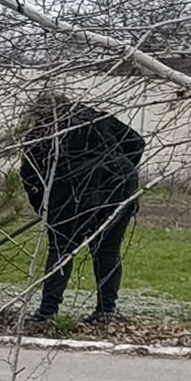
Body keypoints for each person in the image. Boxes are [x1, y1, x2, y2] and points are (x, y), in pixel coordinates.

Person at [19, 97, 146, 329]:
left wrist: (45, 208)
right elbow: (136, 143)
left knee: (62, 250)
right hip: (119, 184)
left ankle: (46, 313)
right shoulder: (99, 118)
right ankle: (106, 312)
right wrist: (118, 169)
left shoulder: (40, 136)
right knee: (107, 251)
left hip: (71, 192)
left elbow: (31, 178)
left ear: (39, 116)